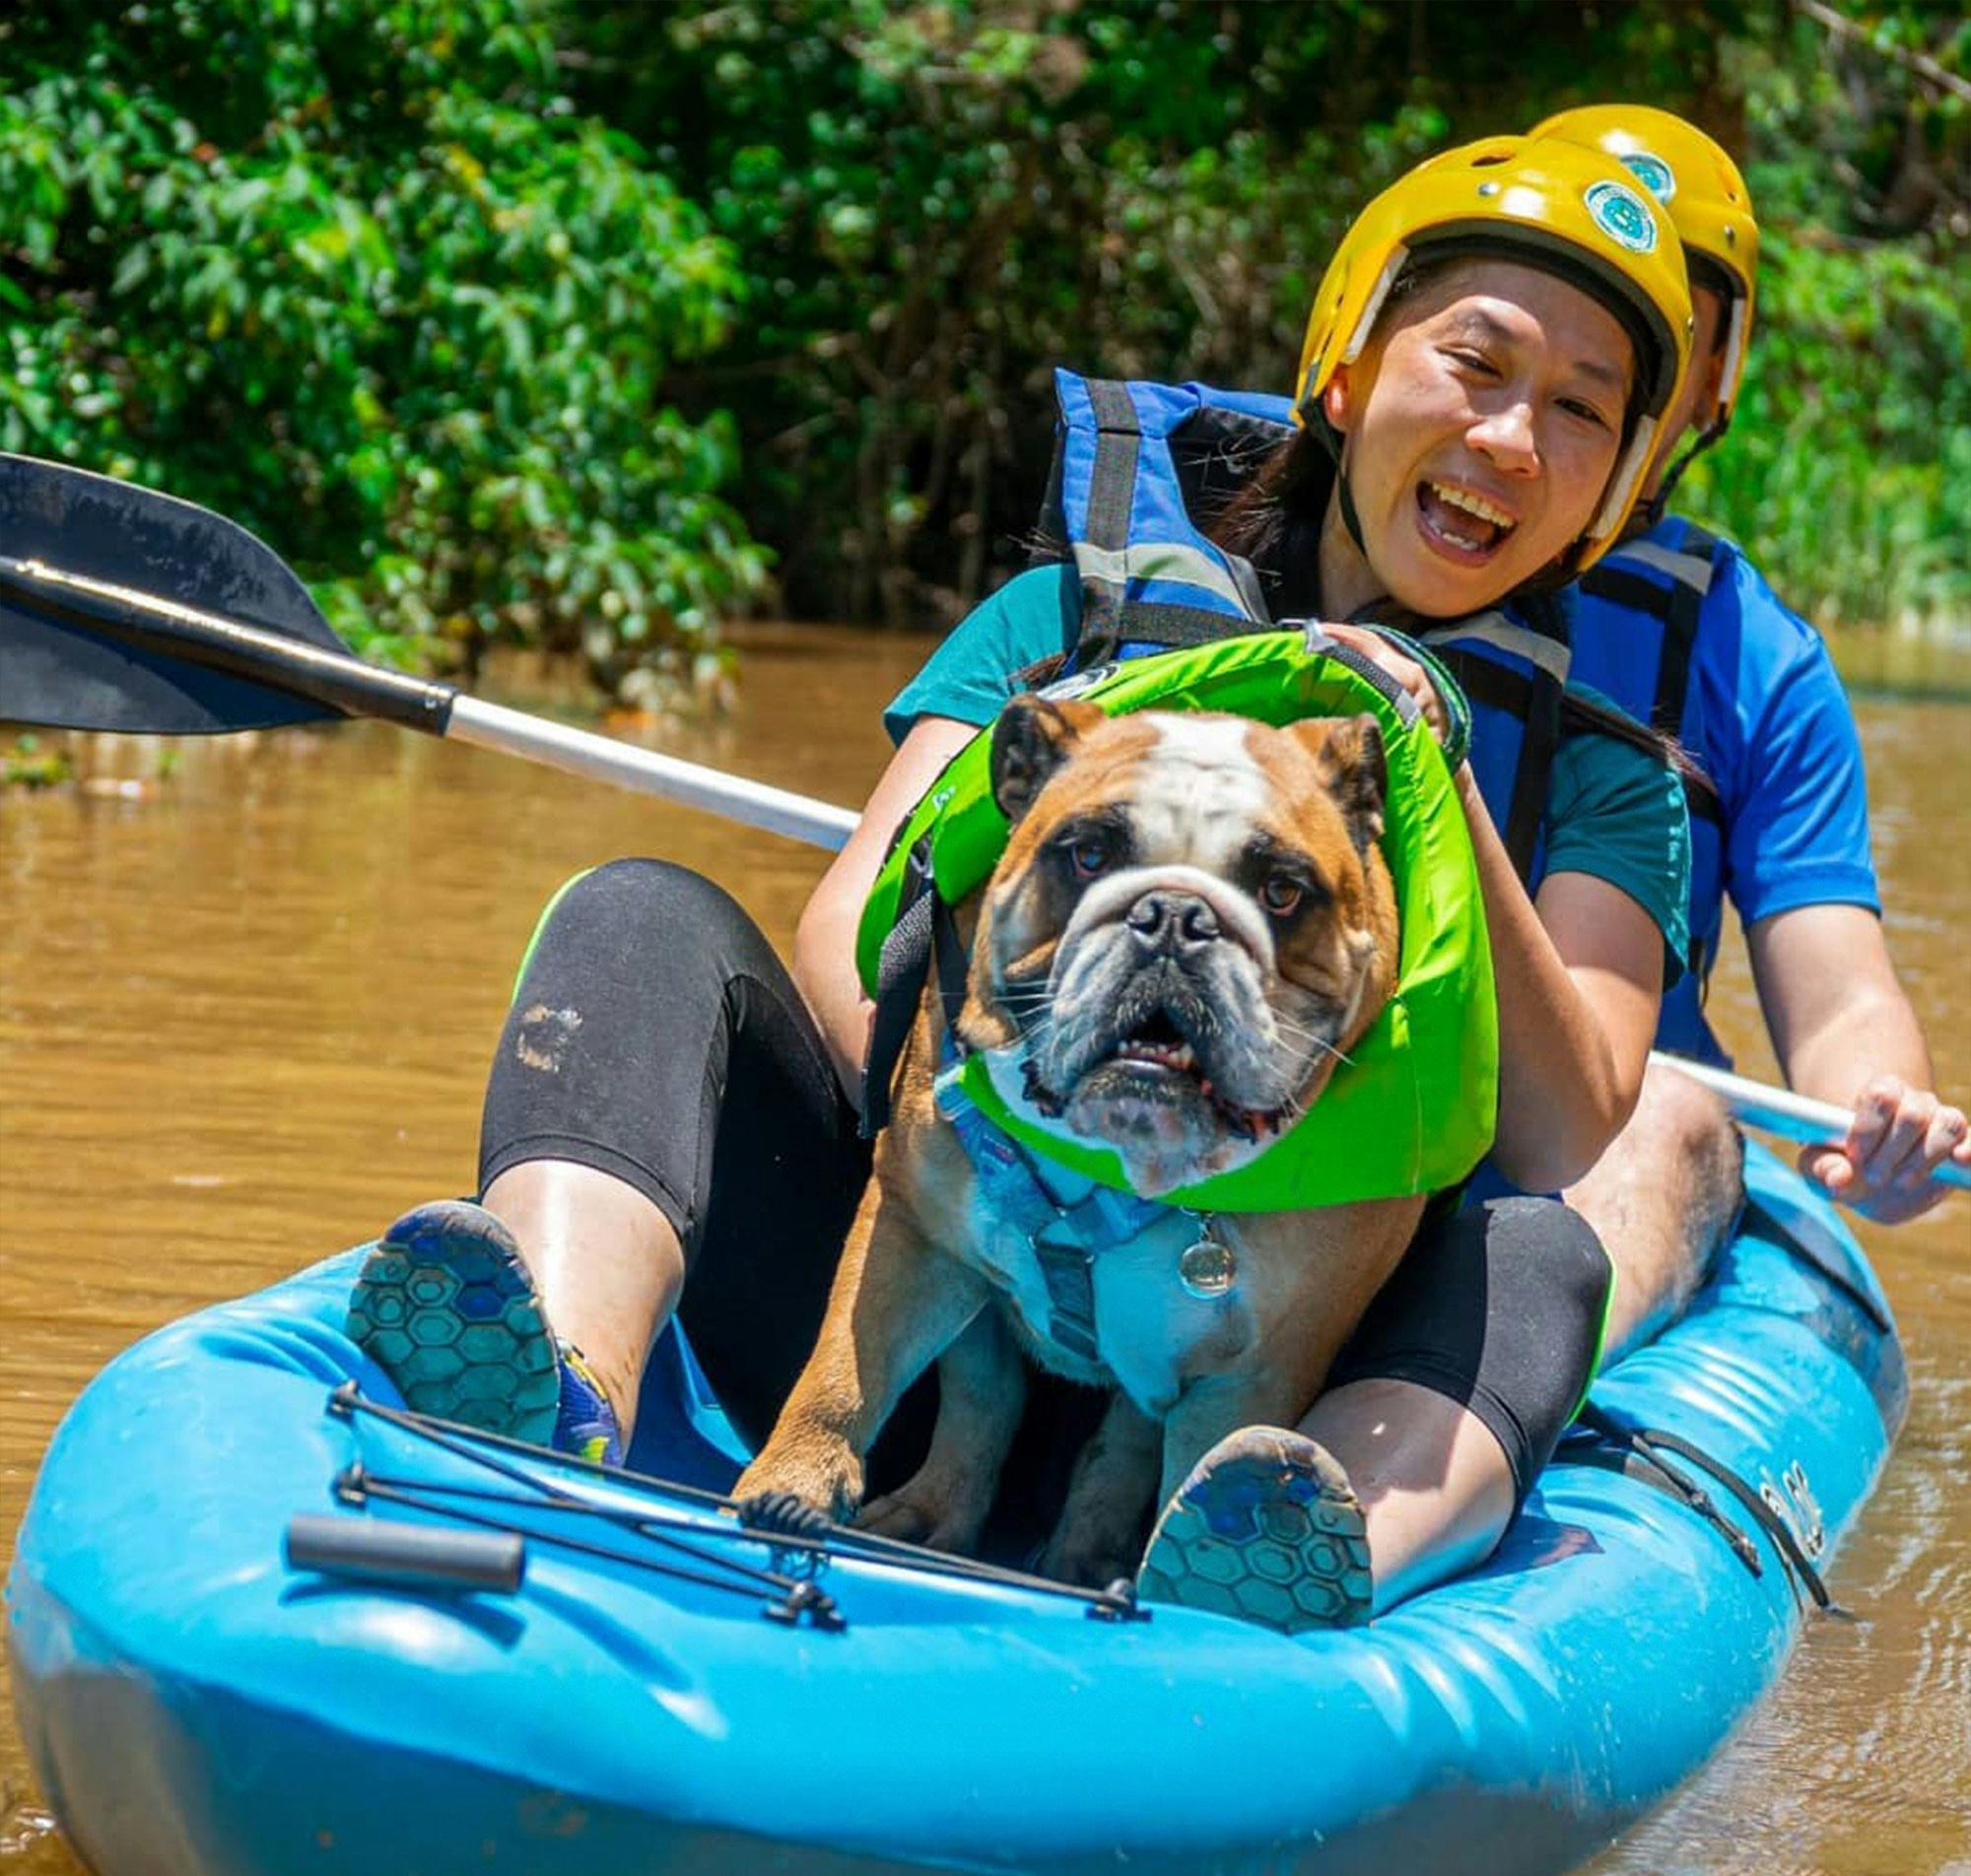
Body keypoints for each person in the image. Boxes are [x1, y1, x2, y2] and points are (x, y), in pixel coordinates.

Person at [347, 133, 1696, 1630]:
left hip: (1277, 1353)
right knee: (639, 918)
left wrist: (1428, 766)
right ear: (1349, 370)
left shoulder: (1604, 774)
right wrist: (1027, 1172)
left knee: (1541, 1254)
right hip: (931, 1282)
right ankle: (558, 1383)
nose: (1513, 438)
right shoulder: (1063, 622)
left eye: (1580, 413)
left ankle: (1289, 1559)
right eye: (1476, 363)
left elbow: (1568, 1126)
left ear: (1616, 487)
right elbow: (847, 949)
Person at [1527, 104, 1968, 1362]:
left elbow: (1836, 1000)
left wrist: (1881, 1125)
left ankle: (1502, 1377)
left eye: (1664, 318)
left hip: (1622, 1123)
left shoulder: (1756, 658)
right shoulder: (1345, 540)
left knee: (1663, 1109)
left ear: (1706, 378)